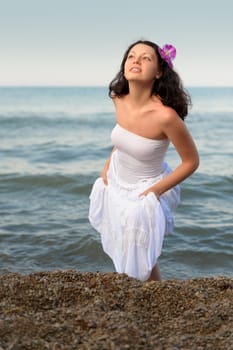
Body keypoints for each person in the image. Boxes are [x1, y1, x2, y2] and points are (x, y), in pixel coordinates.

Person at [89, 39, 199, 282]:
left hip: (147, 187)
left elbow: (191, 162)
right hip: (117, 178)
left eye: (146, 57)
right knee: (126, 246)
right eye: (131, 55)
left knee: (139, 251)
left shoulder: (166, 116)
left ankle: (146, 297)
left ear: (159, 71)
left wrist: (154, 192)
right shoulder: (118, 98)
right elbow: (122, 137)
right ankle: (147, 297)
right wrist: (108, 165)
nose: (136, 60)